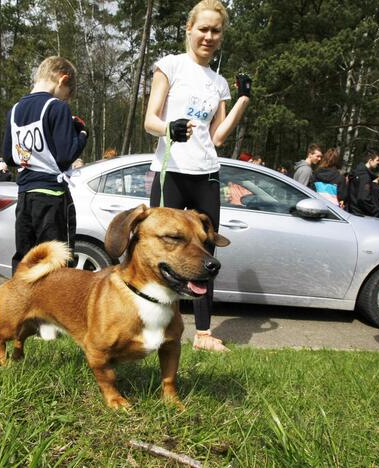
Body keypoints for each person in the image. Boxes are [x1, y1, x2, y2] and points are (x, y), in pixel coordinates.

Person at [144, 0, 251, 352]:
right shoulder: (170, 66)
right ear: (189, 29)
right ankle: (154, 323)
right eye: (202, 29)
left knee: (206, 252)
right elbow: (150, 121)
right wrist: (168, 128)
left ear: (221, 36)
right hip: (170, 170)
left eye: (215, 31)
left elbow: (217, 137)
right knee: (162, 249)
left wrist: (242, 100)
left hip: (206, 172)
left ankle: (203, 334)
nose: (208, 36)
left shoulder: (218, 82)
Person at [2, 55, 88, 274]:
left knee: (25, 259)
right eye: (67, 95)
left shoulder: (14, 111)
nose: (66, 100)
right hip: (52, 197)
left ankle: (23, 306)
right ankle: (53, 308)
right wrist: (82, 133)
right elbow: (64, 156)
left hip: (25, 196)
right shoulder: (56, 107)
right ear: (62, 79)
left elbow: (9, 157)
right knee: (56, 261)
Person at [346, 150, 379, 217]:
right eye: (377, 160)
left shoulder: (357, 173)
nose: (378, 162)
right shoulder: (364, 176)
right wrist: (375, 211)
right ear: (370, 160)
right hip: (359, 214)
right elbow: (363, 198)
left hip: (352, 212)